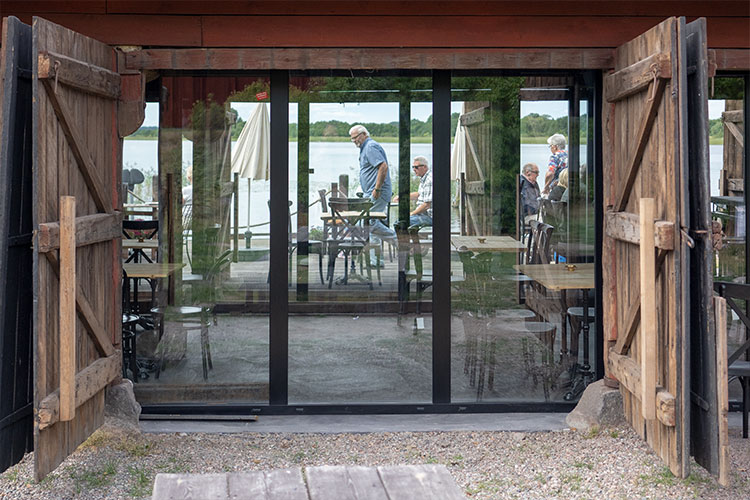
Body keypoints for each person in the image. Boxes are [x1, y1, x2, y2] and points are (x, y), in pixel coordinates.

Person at [349, 125, 397, 254]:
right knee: (370, 223)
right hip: (371, 191)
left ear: (364, 134)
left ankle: (399, 242)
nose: (354, 141)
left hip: (376, 192)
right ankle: (375, 258)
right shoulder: (365, 147)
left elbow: (383, 166)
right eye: (352, 139)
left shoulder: (370, 146)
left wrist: (377, 188)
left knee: (368, 223)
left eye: (356, 137)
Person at [395, 156, 433, 227]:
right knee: (401, 221)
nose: (414, 170)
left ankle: (402, 238)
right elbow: (419, 194)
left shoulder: (429, 180)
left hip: (429, 217)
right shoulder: (424, 178)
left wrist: (412, 213)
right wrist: (402, 197)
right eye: (413, 167)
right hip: (423, 215)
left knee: (401, 223)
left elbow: (427, 205)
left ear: (424, 167)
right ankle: (413, 237)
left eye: (416, 167)